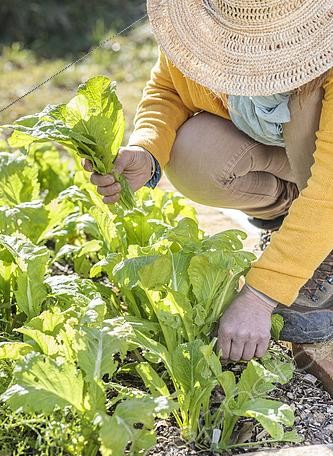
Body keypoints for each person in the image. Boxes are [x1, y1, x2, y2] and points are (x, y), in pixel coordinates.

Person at [85, 0, 333, 362]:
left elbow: (328, 193)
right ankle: (286, 217)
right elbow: (168, 88)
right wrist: (146, 150)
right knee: (193, 153)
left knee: (307, 108)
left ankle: (323, 253)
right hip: (296, 164)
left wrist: (260, 296)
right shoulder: (207, 25)